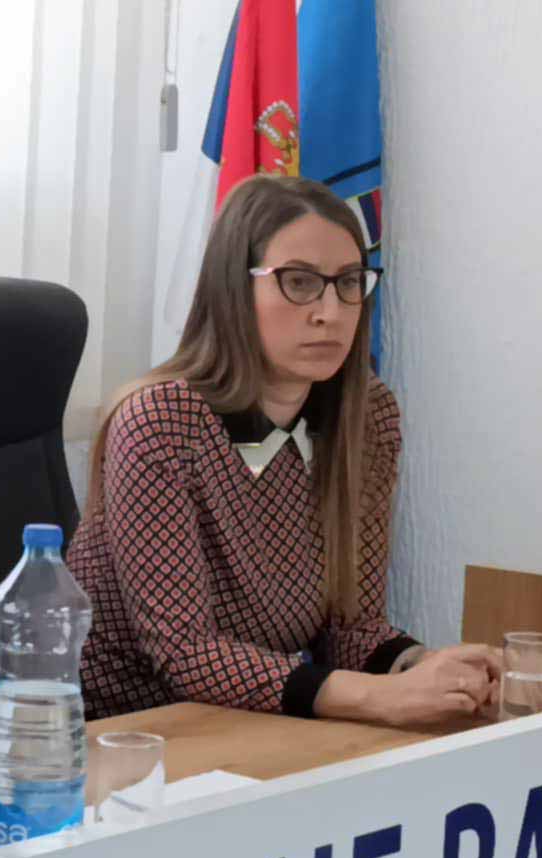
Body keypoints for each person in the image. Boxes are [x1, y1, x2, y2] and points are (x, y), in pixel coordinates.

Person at [68, 174, 500, 723]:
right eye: (299, 282)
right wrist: (378, 697)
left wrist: (423, 667)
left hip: (263, 723)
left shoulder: (366, 417)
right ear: (234, 289)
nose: (331, 312)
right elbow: (184, 653)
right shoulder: (161, 422)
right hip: (125, 732)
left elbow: (352, 629)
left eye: (349, 283)